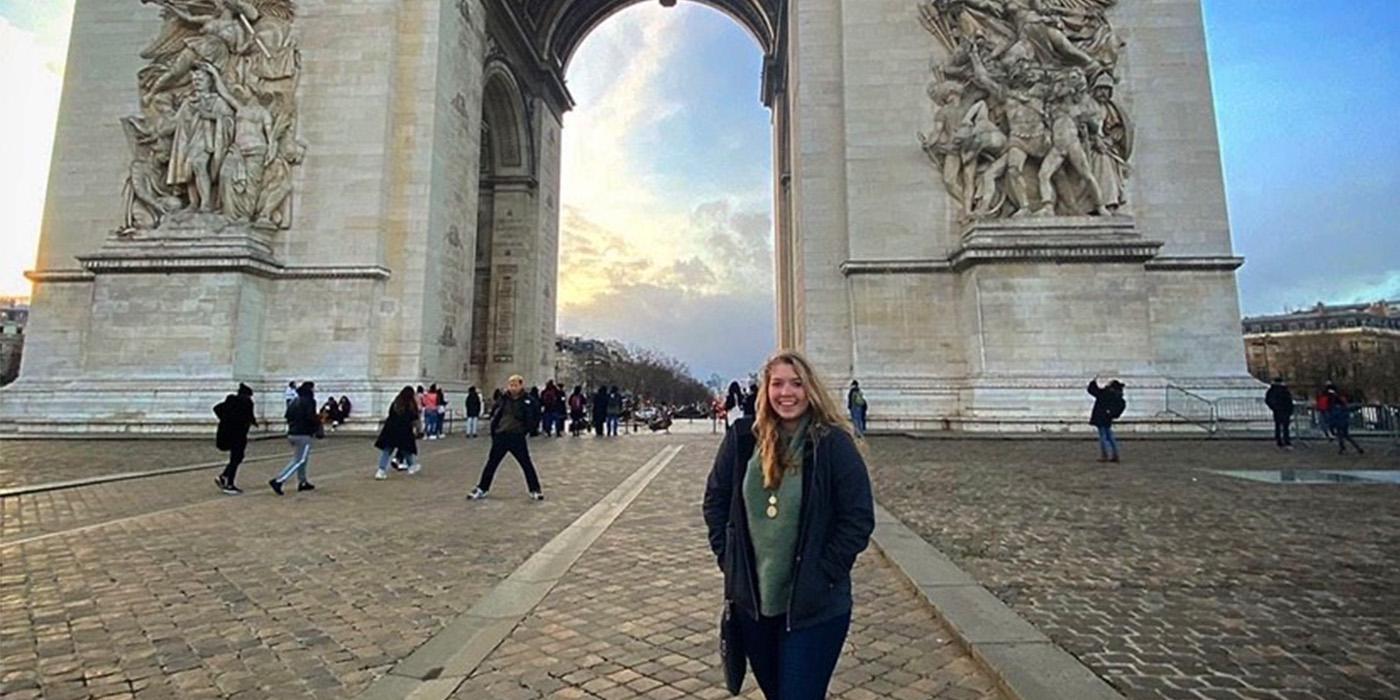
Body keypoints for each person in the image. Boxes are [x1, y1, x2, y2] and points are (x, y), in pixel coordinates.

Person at [703, 350, 874, 700]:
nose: (786, 393)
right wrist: (729, 561)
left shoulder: (834, 444)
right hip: (754, 605)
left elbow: (857, 518)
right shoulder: (741, 439)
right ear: (765, 389)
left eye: (796, 384)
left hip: (815, 605)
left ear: (810, 389)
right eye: (777, 383)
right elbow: (716, 503)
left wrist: (824, 573)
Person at [467, 375, 544, 501]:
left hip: (517, 436)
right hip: (501, 435)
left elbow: (535, 415)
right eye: (511, 384)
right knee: (491, 463)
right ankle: (482, 488)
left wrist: (528, 430)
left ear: (521, 385)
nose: (513, 387)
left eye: (515, 385)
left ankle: (535, 489)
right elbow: (495, 413)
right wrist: (494, 430)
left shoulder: (528, 400)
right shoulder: (503, 399)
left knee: (526, 464)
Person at [271, 381, 320, 495]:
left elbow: (287, 416)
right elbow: (310, 417)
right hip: (304, 434)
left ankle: (302, 482)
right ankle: (279, 480)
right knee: (300, 460)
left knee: (302, 459)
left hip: (292, 433)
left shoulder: (294, 401)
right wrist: (317, 420)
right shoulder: (309, 401)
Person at [213, 383, 257, 495]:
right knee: (236, 458)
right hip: (238, 435)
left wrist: (225, 420)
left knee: (237, 458)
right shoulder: (246, 403)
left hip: (227, 434)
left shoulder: (230, 401)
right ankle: (229, 484)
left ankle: (224, 476)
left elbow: (217, 408)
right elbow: (249, 416)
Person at [374, 386, 423, 479]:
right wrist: (419, 430)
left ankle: (381, 470)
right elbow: (415, 419)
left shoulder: (396, 403)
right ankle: (411, 466)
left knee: (387, 451)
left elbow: (390, 414)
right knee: (406, 449)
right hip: (404, 430)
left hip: (390, 429)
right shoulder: (411, 405)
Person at [1087, 377, 1126, 463]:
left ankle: (1105, 455)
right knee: (1110, 436)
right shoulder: (1117, 396)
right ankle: (1115, 454)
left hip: (1101, 417)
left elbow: (1093, 391)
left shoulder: (1105, 393)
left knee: (1103, 437)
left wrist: (1093, 382)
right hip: (1108, 418)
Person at [1325, 386, 1365, 455]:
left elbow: (1332, 417)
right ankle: (1355, 447)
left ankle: (1344, 448)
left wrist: (1331, 425)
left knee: (1341, 435)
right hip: (1344, 421)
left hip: (1338, 421)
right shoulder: (1343, 406)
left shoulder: (1333, 407)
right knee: (1345, 436)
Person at [1264, 377, 1294, 449]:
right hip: (1285, 410)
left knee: (1278, 426)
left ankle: (1279, 441)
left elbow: (1268, 400)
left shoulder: (1272, 390)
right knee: (1285, 427)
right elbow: (1289, 400)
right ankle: (1286, 441)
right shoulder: (1284, 390)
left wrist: (1274, 408)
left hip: (1278, 411)